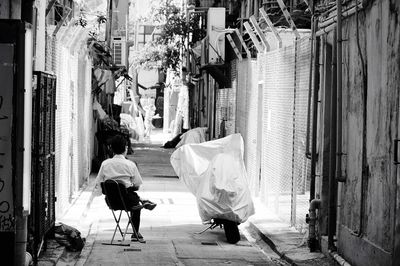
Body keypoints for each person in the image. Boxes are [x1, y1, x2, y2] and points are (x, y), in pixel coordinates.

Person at [94, 135, 156, 241]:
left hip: (111, 201)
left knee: (126, 191)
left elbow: (99, 183)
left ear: (111, 149)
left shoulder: (105, 164)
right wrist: (129, 186)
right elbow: (137, 186)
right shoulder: (130, 165)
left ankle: (142, 201)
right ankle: (135, 233)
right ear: (126, 148)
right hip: (128, 202)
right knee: (133, 199)